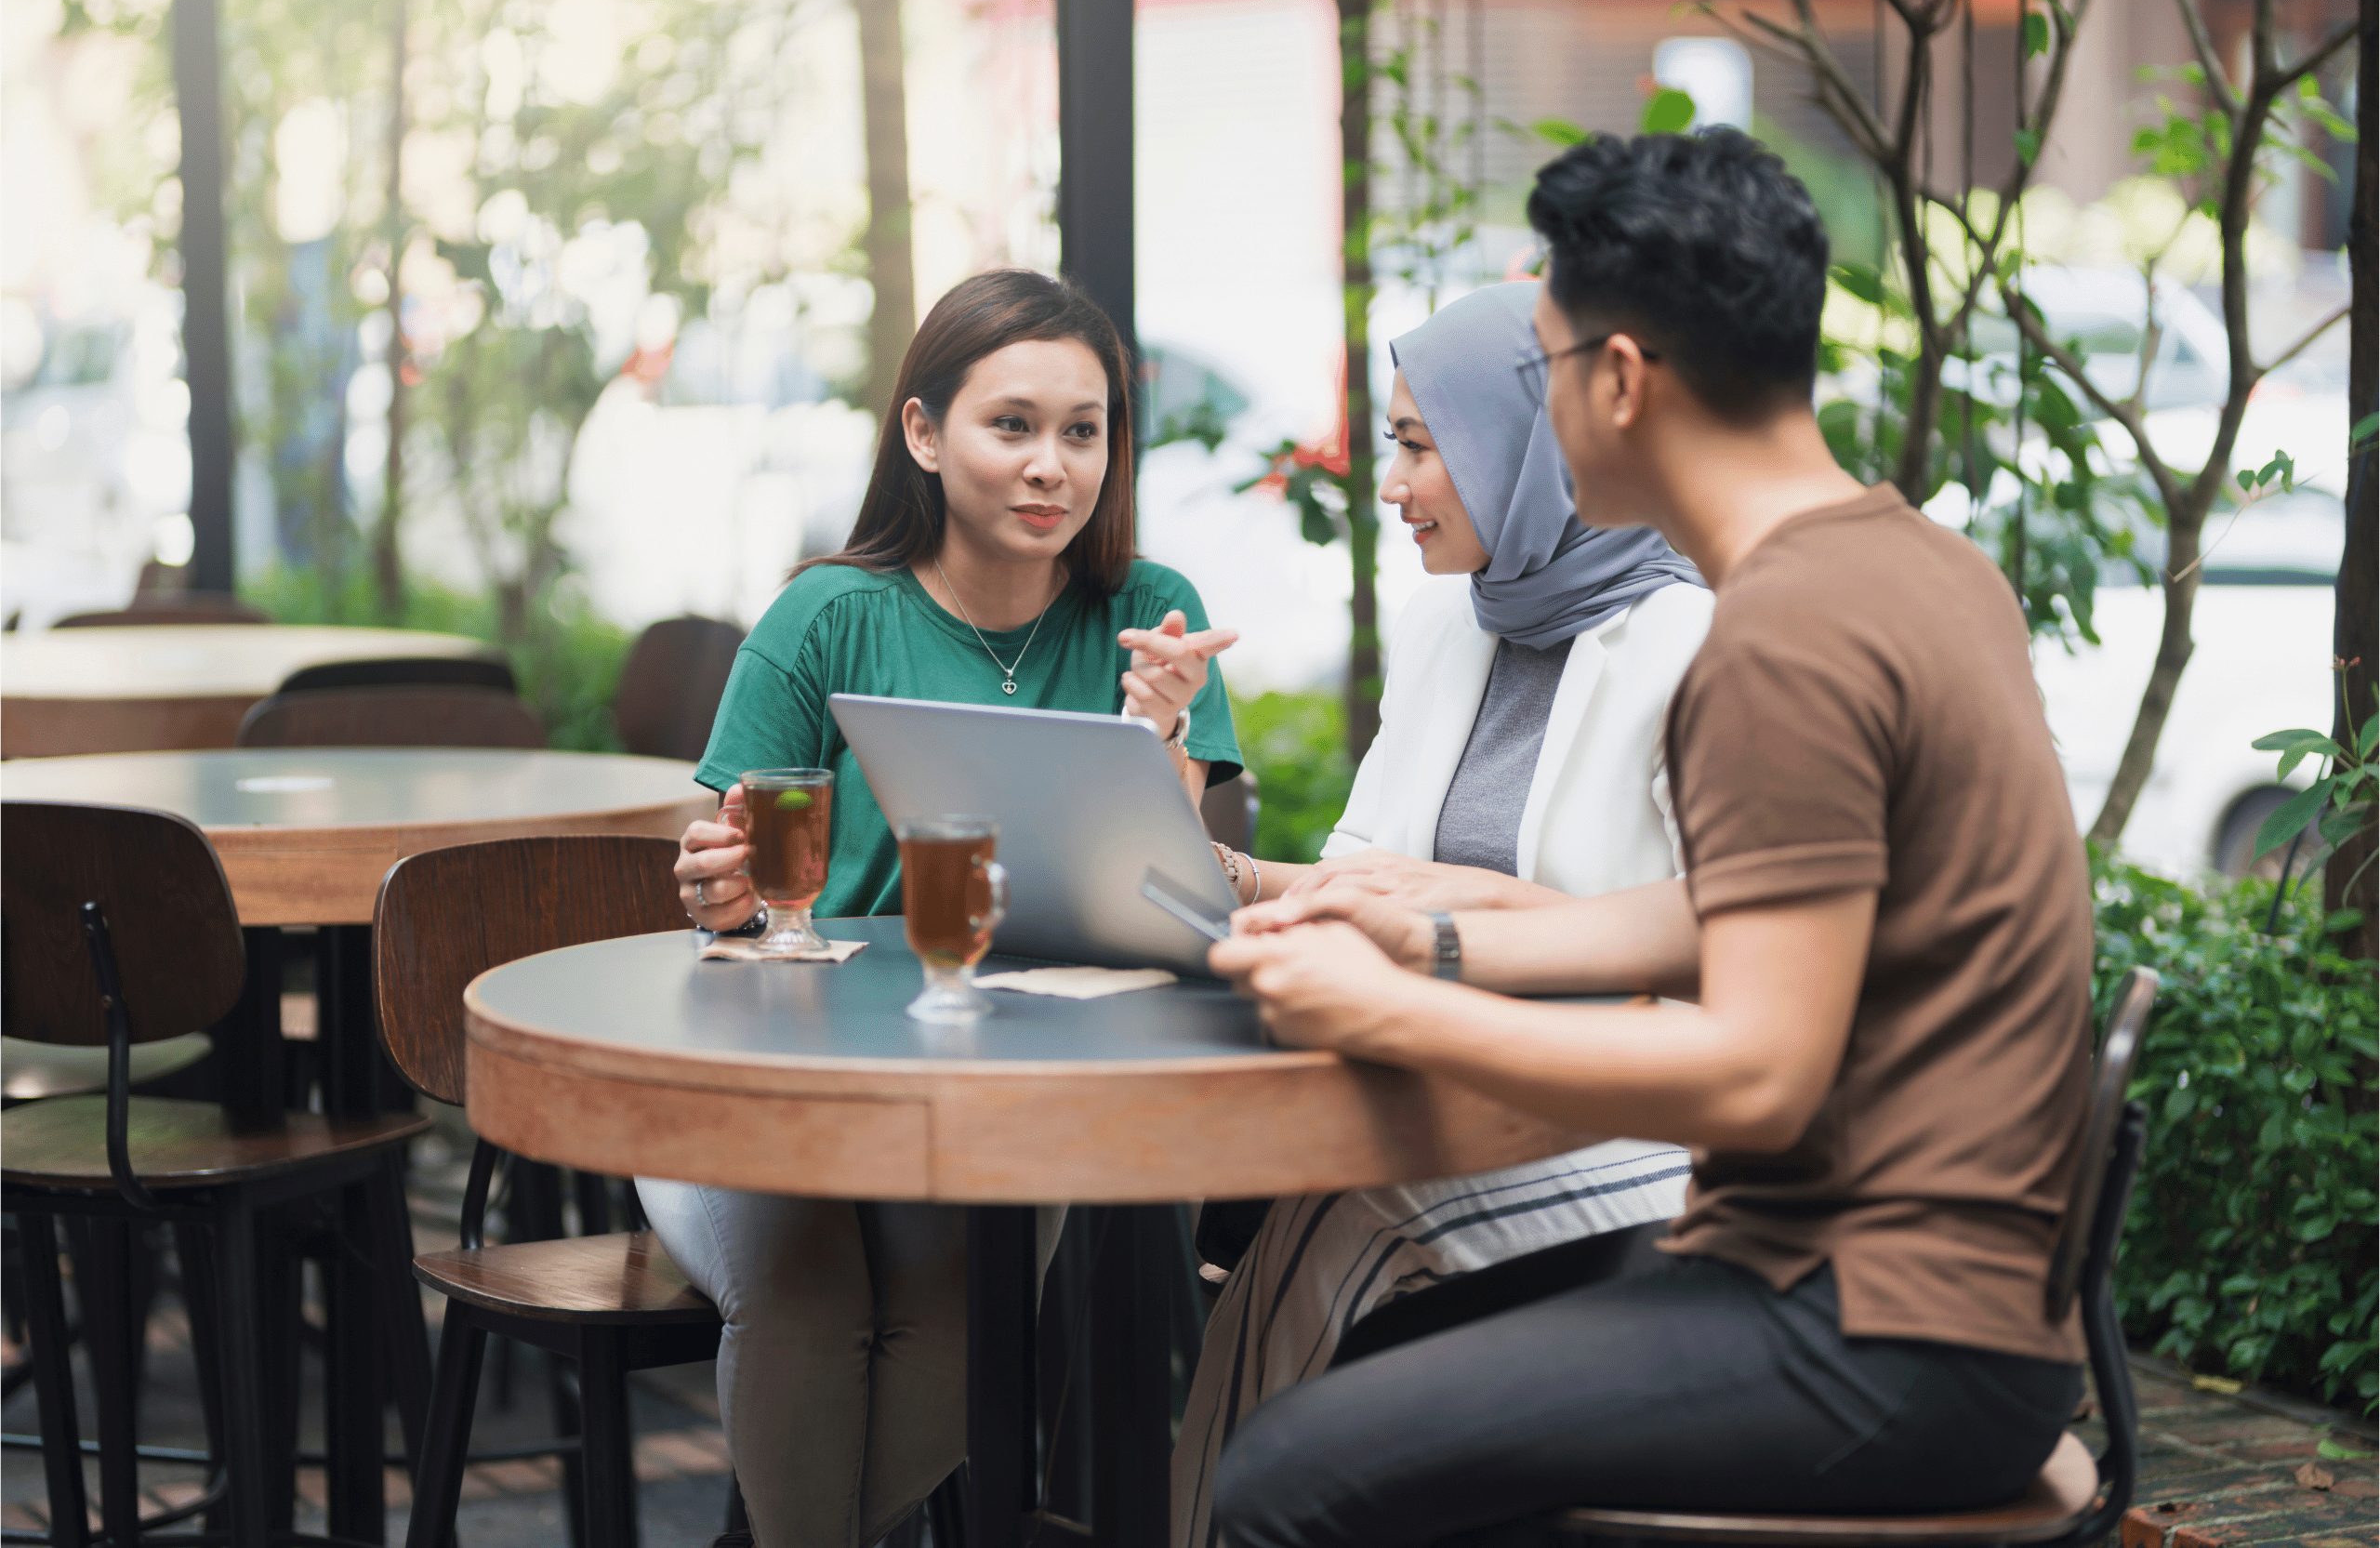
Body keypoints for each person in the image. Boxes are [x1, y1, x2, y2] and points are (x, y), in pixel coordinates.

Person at [1204, 128, 2096, 1547]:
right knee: (1363, 1379)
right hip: (1949, 1304)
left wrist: (1393, 1009)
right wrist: (1434, 934)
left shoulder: (1778, 640)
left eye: (1550, 367)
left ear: (1620, 379)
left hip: (1869, 1324)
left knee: (1280, 1478)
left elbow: (1756, 1069)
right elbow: (1750, 912)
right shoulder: (1918, 562)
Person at [656, 268, 1243, 1548]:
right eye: (1012, 425)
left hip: (993, 1078)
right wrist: (720, 890)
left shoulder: (1147, 616)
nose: (1053, 466)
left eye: (1083, 431)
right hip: (776, 1070)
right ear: (924, 436)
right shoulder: (827, 615)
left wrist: (1159, 732)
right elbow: (724, 866)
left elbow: (1167, 893)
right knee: (807, 1297)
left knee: (955, 1310)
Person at [1173, 280, 1712, 1548]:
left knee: (1338, 1216)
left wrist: (1464, 913)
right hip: (1448, 1083)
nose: (1394, 481)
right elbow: (1377, 873)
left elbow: (1718, 927)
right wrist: (1232, 881)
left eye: (1419, 445)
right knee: (1272, 1214)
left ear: (1522, 446)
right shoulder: (1447, 625)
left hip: (1638, 1120)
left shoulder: (1691, 638)